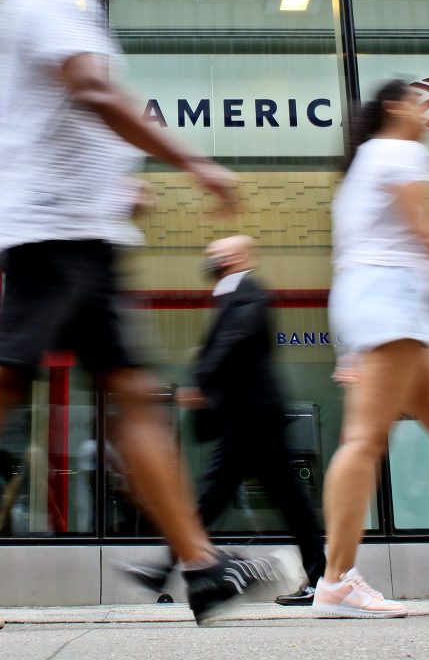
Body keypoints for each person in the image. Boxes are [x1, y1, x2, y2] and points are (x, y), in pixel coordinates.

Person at [0, 0, 298, 632]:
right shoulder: (58, 0)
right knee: (1, 379)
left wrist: (116, 184)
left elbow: (59, 114)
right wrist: (192, 159)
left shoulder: (42, 7)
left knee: (132, 391)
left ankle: (201, 568)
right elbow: (92, 91)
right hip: (52, 231)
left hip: (79, 228)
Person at [313, 80, 429, 620]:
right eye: (418, 102)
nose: (427, 113)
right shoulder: (400, 150)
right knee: (365, 440)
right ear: (397, 108)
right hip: (392, 306)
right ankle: (335, 581)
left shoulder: (364, 165)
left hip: (399, 310)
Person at [115, 236, 326, 606]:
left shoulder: (250, 292)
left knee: (262, 501)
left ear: (238, 256)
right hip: (243, 418)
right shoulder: (231, 295)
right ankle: (320, 580)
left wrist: (203, 380)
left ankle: (161, 570)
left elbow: (235, 340)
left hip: (253, 417)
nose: (211, 257)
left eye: (219, 252)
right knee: (242, 500)